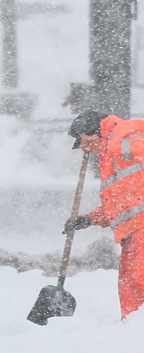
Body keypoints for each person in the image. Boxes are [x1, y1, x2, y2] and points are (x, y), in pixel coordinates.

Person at [62, 110, 144, 319]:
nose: (84, 148)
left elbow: (139, 147)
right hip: (131, 233)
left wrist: (108, 145)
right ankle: (134, 329)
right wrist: (89, 219)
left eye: (84, 141)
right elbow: (121, 205)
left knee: (139, 279)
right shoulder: (107, 161)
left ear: (94, 131)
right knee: (129, 288)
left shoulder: (127, 131)